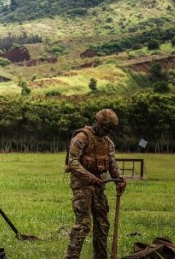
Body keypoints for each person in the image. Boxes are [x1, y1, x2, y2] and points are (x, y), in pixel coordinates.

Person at [63, 108, 126, 259]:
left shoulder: (108, 142)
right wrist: (91, 177)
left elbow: (112, 163)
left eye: (110, 131)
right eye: (105, 129)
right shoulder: (82, 137)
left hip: (98, 186)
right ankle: (71, 256)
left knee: (103, 224)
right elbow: (72, 162)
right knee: (83, 225)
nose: (106, 133)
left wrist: (119, 179)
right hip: (82, 186)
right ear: (98, 122)